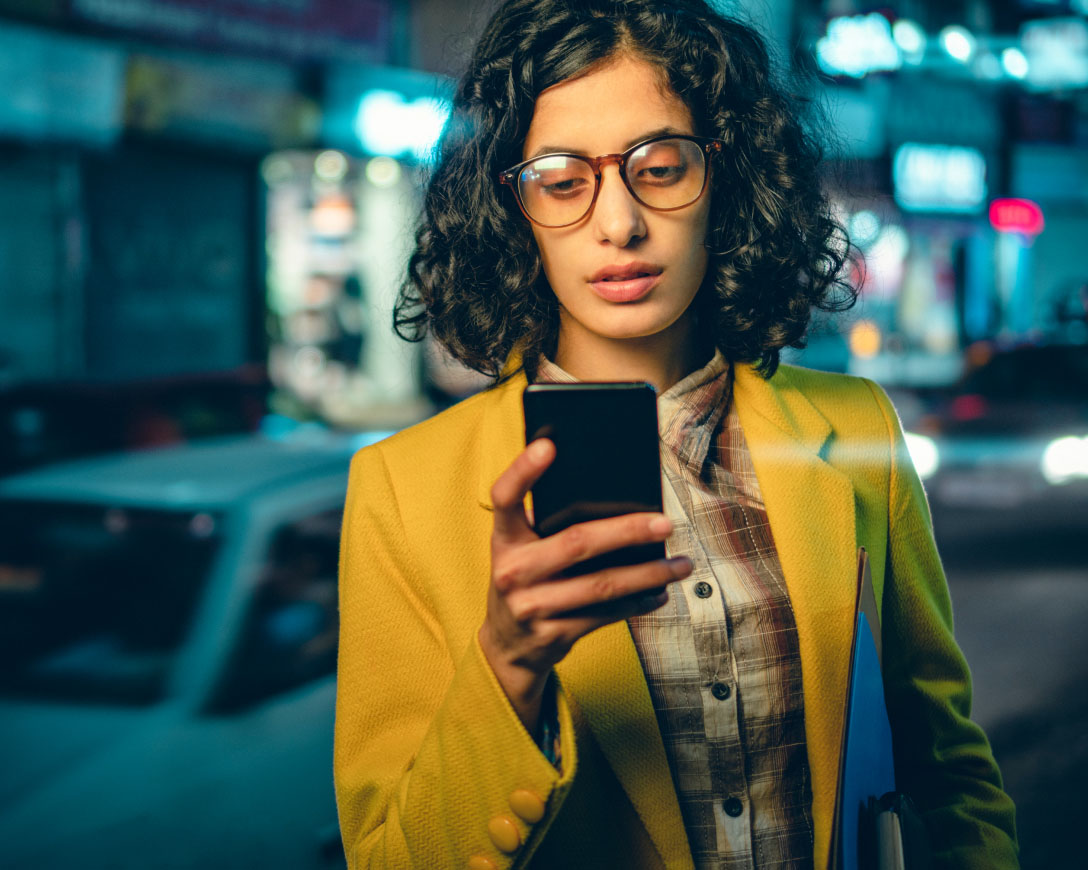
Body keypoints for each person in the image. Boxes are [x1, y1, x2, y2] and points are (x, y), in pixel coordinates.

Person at [333, 2, 1019, 868]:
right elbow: (392, 856)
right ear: (511, 205)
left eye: (658, 168)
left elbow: (947, 765)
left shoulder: (855, 432)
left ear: (723, 178)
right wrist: (506, 668)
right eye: (561, 176)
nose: (618, 223)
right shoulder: (401, 490)